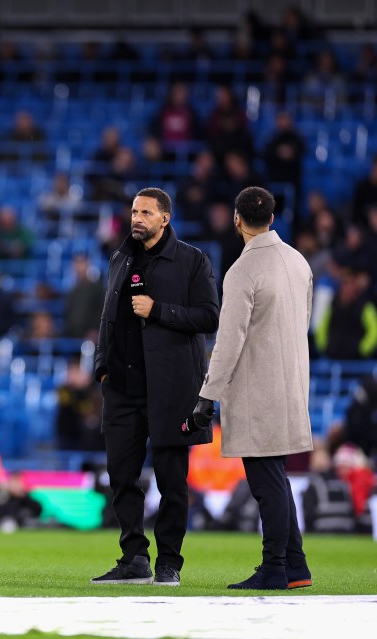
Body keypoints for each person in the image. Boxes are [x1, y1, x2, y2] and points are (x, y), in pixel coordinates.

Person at [92, 187, 219, 587]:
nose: (137, 218)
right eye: (134, 211)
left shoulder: (192, 260)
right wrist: (101, 367)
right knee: (122, 476)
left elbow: (209, 316)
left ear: (165, 218)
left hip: (171, 389)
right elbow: (106, 317)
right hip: (123, 388)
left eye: (146, 212)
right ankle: (133, 559)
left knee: (171, 481)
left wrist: (159, 310)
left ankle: (169, 563)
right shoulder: (120, 257)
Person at [194, 186, 314, 590]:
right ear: (273, 218)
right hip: (292, 383)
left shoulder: (243, 271)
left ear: (236, 220)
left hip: (256, 390)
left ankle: (275, 567)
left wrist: (207, 394)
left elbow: (228, 342)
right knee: (276, 478)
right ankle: (295, 566)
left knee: (265, 484)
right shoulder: (299, 262)